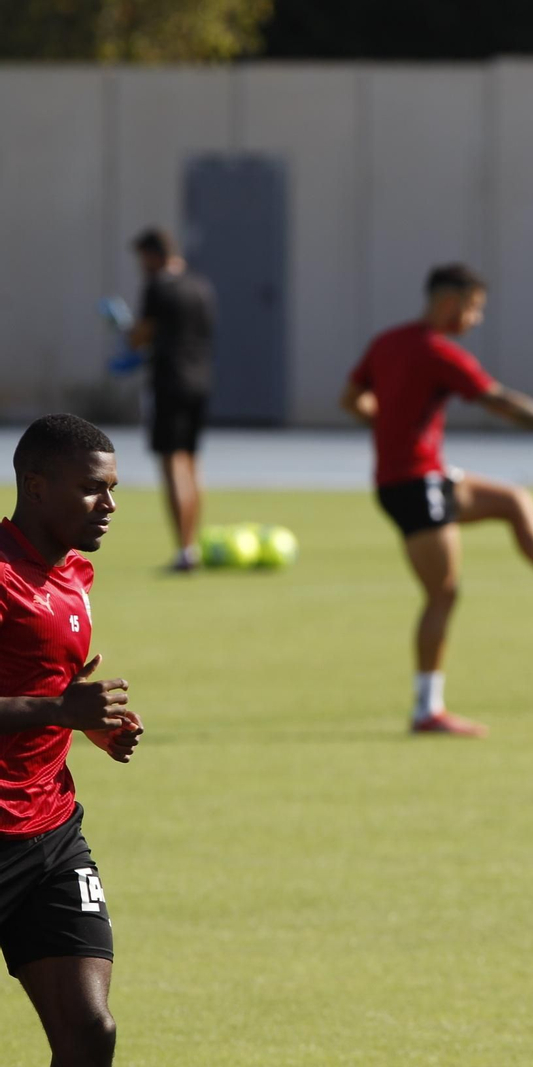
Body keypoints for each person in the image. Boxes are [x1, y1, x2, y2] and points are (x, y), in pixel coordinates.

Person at [341, 263, 533, 737]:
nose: (475, 320)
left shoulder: (387, 342)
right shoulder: (439, 353)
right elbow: (502, 402)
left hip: (418, 479)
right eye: (474, 308)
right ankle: (426, 710)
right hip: (415, 487)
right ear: (450, 302)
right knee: (443, 593)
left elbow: (351, 399)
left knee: (513, 500)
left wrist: (389, 423)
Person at [0, 413, 143, 1067]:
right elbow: (48, 697)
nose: (109, 505)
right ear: (36, 485)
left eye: (112, 488)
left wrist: (90, 724)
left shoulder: (73, 576)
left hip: (51, 836)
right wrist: (61, 705)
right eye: (93, 489)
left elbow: (44, 690)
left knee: (91, 1031)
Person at [127, 228, 216, 573]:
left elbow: (140, 336)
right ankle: (193, 543)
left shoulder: (158, 287)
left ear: (153, 254)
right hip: (201, 381)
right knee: (192, 463)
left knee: (172, 464)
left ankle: (185, 551)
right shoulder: (201, 287)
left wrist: (129, 334)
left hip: (169, 383)